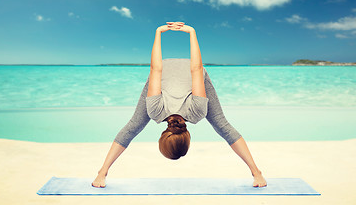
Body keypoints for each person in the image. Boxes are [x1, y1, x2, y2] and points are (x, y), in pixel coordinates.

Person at [92, 22, 267, 188]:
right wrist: (165, 33)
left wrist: (184, 33)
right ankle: (102, 172)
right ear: (162, 135)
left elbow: (181, 69)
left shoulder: (192, 112)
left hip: (167, 73)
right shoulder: (160, 111)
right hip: (169, 72)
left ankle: (257, 172)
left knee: (222, 126)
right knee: (221, 125)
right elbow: (168, 69)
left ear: (188, 137)